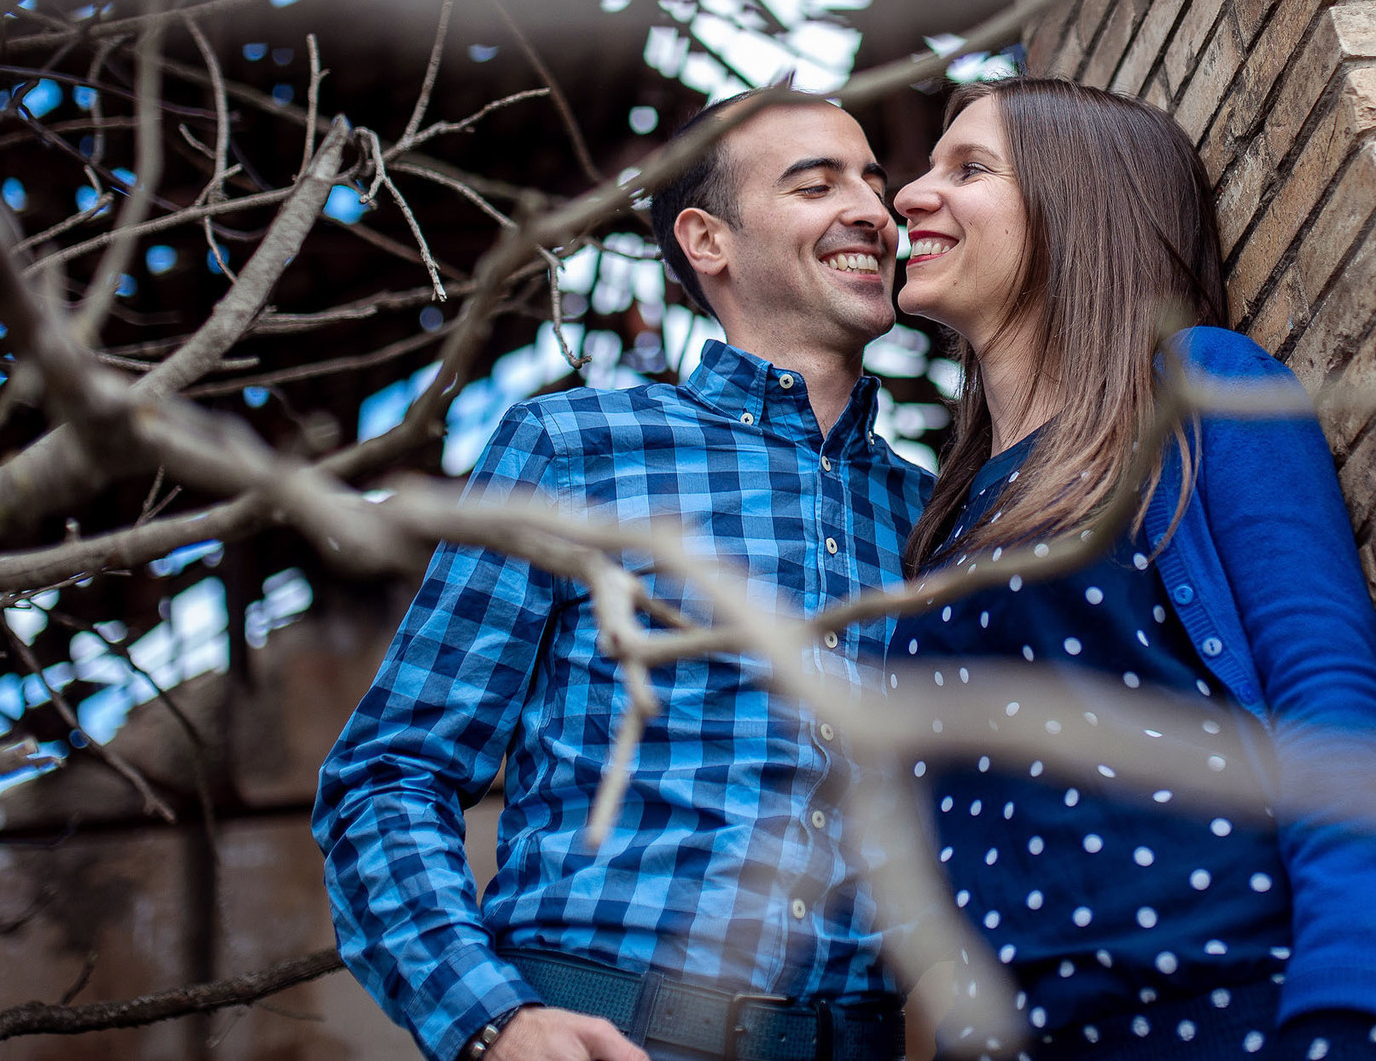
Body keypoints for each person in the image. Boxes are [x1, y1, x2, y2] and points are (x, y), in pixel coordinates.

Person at [316, 94, 932, 1061]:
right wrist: (492, 1019)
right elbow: (390, 772)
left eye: (874, 182)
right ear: (707, 241)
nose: (874, 211)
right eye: (816, 184)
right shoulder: (572, 451)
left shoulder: (937, 517)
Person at [883, 78, 1376, 1061]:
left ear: (1074, 203)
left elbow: (1326, 690)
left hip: (1247, 1001)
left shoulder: (1198, 385)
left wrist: (1354, 987)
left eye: (968, 168)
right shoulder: (944, 525)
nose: (910, 194)